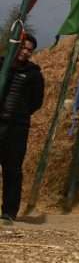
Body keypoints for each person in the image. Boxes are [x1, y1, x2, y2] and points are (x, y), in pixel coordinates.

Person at [0, 34, 44, 224]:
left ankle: (9, 212)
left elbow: (36, 101)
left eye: (29, 50)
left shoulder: (34, 74)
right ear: (16, 46)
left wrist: (21, 113)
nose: (25, 52)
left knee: (12, 169)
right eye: (23, 48)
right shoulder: (1, 65)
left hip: (17, 128)